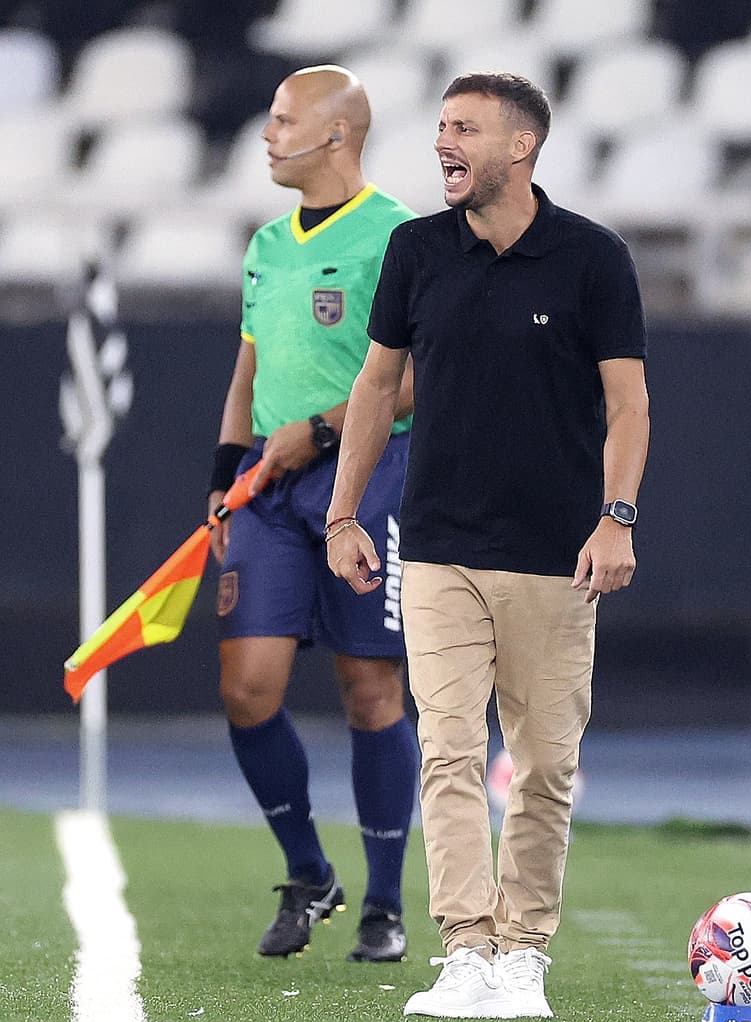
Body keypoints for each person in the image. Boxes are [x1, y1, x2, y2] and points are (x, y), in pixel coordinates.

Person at [326, 72, 650, 1016]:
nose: (442, 144)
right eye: (439, 128)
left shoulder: (593, 259)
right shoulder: (415, 250)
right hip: (436, 550)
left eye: (463, 128)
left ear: (522, 146)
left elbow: (627, 401)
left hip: (557, 556)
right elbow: (378, 390)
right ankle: (467, 949)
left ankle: (524, 955)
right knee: (449, 753)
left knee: (546, 765)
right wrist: (345, 516)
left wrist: (617, 517)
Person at [208, 65, 419, 964]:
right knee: (246, 688)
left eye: (283, 120)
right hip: (268, 481)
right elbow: (249, 372)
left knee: (371, 691)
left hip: (369, 478)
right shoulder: (263, 244)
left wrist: (324, 432)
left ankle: (383, 901)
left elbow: (420, 378)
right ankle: (309, 873)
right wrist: (226, 473)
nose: (267, 133)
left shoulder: (399, 237)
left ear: (336, 135)